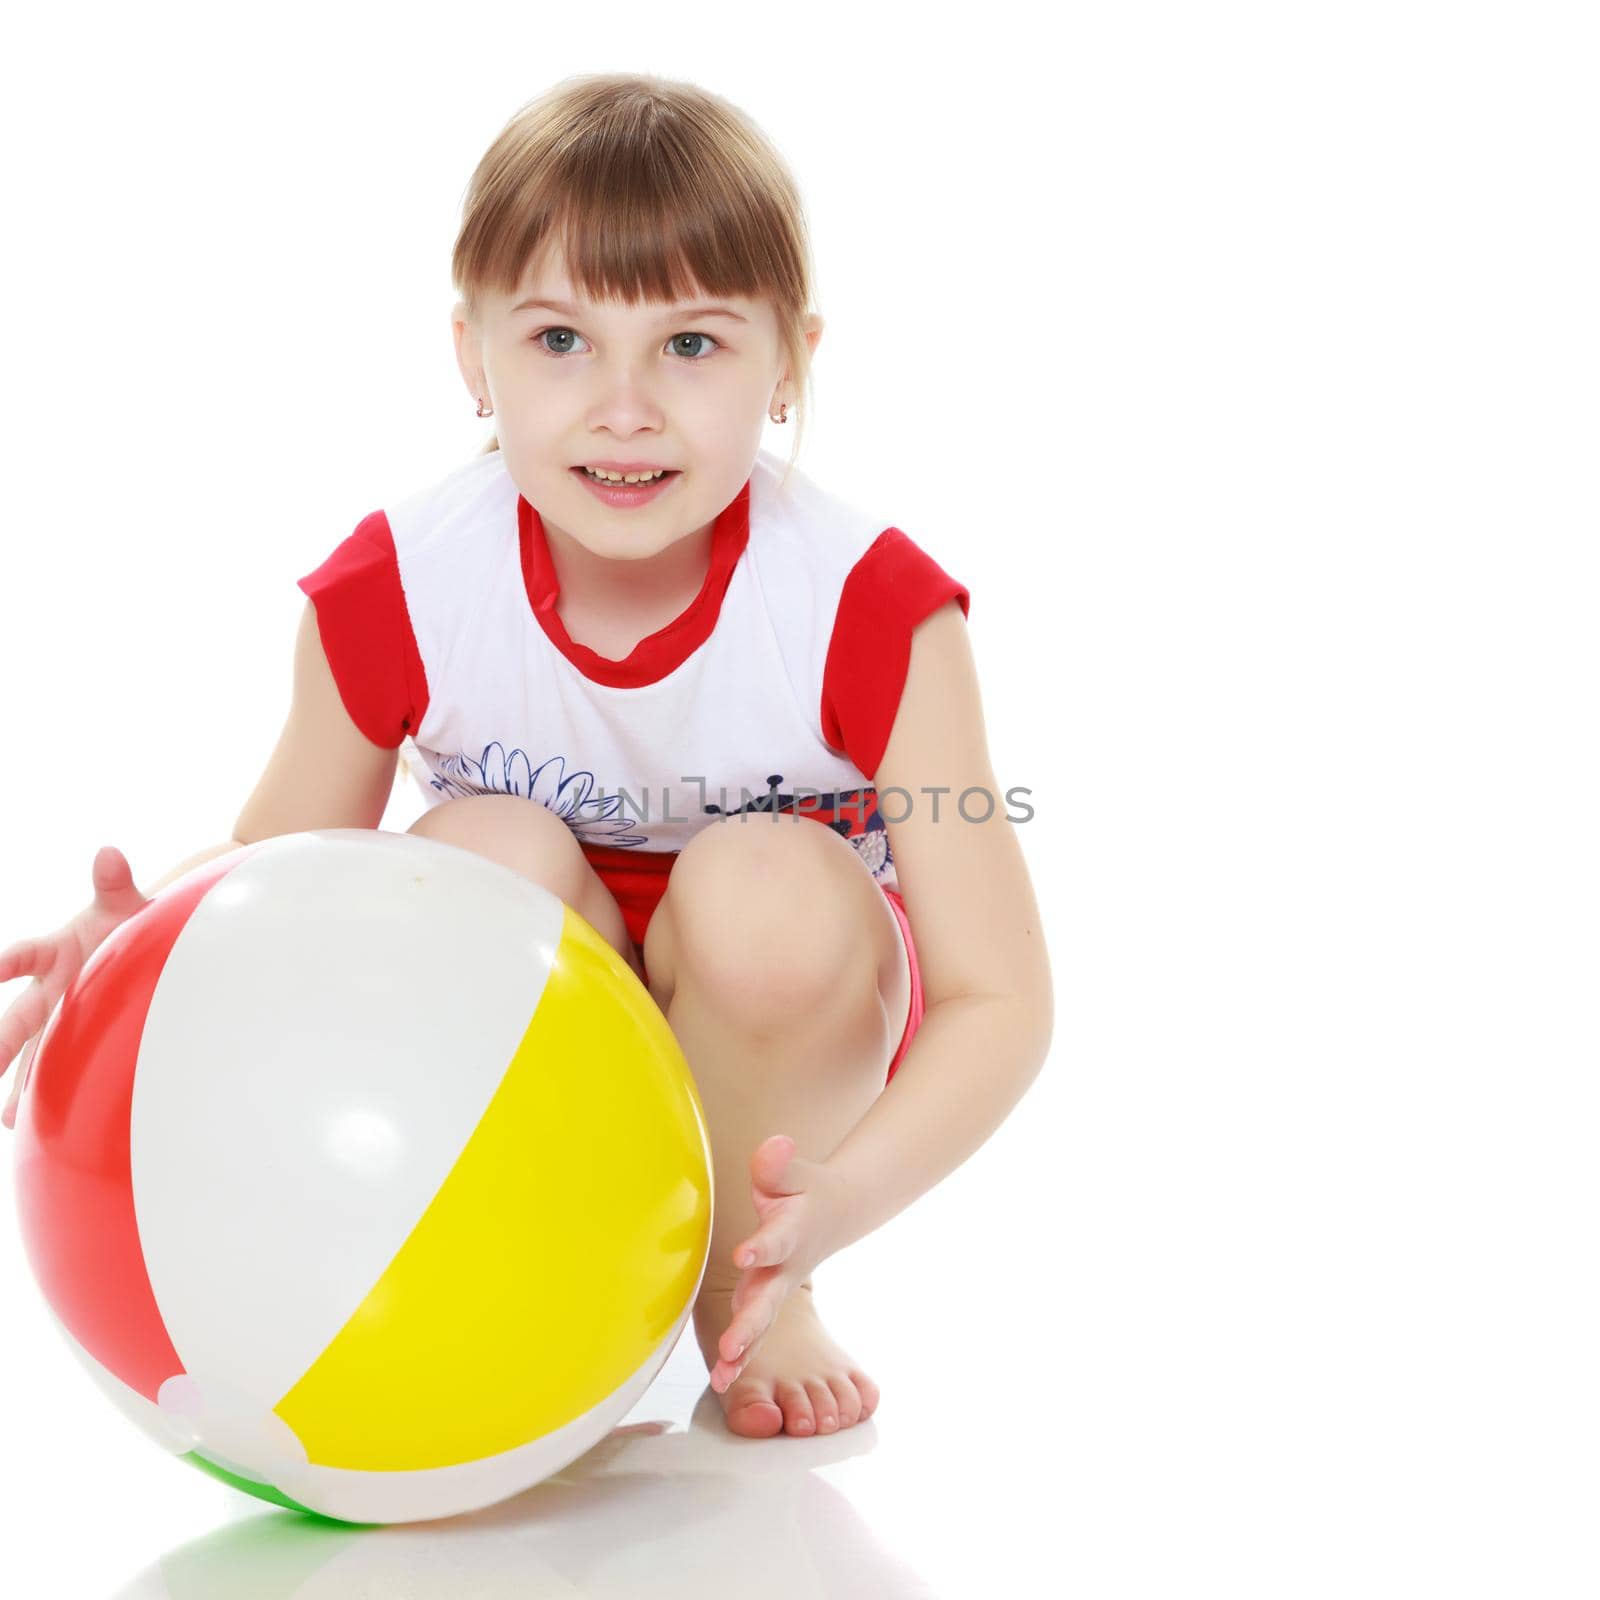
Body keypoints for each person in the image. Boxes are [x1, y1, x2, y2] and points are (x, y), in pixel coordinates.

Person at [0, 72, 1053, 1441]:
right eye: (559, 340)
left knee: (763, 889)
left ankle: (750, 1279)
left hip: (790, 1006)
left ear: (791, 359)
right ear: (470, 355)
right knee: (480, 851)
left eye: (692, 347)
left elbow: (1001, 998)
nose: (624, 408)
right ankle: (565, 1279)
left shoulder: (870, 608)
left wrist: (842, 1197)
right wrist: (140, 935)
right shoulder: (399, 585)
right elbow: (284, 869)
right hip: (556, 995)